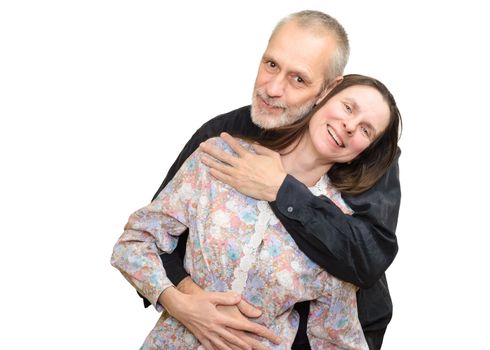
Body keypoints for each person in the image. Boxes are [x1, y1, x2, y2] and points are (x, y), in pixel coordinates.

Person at [141, 10, 400, 350]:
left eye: (299, 79)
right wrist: (186, 303)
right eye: (271, 65)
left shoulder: (360, 155)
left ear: (328, 89)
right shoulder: (223, 138)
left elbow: (366, 259)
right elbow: (152, 237)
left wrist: (281, 189)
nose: (272, 89)